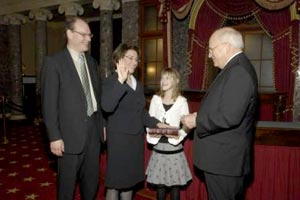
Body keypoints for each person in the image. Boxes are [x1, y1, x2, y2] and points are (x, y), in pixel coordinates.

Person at [181, 27, 258, 200]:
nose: (209, 55)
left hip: (225, 162)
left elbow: (229, 116)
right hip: (223, 162)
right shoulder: (234, 68)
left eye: (211, 49)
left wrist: (197, 120)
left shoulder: (238, 71)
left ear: (226, 47)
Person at [41, 17, 104, 200]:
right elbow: (48, 104)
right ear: (69, 34)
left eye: (90, 34)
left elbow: (96, 99)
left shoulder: (92, 63)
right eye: (84, 34)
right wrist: (54, 137)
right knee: (67, 187)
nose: (89, 38)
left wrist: (102, 126)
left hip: (94, 133)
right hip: (67, 137)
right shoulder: (54, 62)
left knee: (91, 183)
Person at [101, 43, 169, 200]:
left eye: (136, 59)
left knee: (129, 182)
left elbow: (141, 112)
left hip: (135, 140)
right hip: (119, 140)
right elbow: (107, 106)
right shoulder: (111, 81)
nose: (134, 62)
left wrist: (157, 123)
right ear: (118, 59)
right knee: (115, 183)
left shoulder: (137, 84)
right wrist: (120, 80)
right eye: (130, 58)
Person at [145, 68, 192, 200]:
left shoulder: (182, 101)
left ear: (176, 80)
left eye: (167, 78)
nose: (163, 81)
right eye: (162, 78)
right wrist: (154, 132)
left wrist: (178, 136)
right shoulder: (155, 99)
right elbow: (150, 121)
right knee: (160, 188)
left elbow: (187, 125)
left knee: (174, 188)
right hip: (159, 148)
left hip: (174, 150)